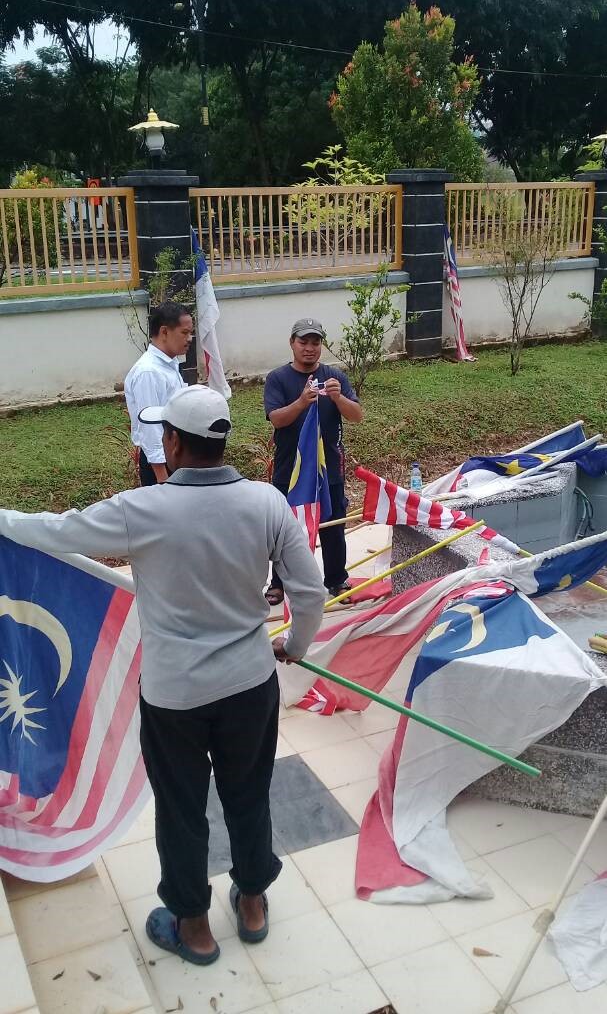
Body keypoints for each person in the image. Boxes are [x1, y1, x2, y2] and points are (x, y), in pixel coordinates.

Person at [0, 385, 325, 965]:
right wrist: (295, 646)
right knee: (249, 794)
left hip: (175, 697)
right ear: (222, 441)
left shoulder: (141, 510)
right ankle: (252, 904)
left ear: (173, 442)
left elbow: (57, 531)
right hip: (250, 685)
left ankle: (193, 928)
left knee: (181, 808)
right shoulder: (267, 503)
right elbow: (310, 591)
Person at [263, 318, 363, 605]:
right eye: (303, 342)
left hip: (328, 467)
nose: (309, 348)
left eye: (315, 342)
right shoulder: (278, 378)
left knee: (333, 525)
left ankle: (336, 579)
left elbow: (357, 415)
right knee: (284, 528)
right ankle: (279, 583)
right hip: (290, 470)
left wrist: (338, 398)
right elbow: (276, 419)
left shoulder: (334, 377)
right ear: (292, 343)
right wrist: (301, 402)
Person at [124, 300, 193, 485]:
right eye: (184, 333)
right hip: (161, 466)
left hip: (177, 456)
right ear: (164, 332)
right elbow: (150, 427)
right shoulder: (148, 372)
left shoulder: (169, 364)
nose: (189, 339)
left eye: (191, 333)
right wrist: (162, 478)